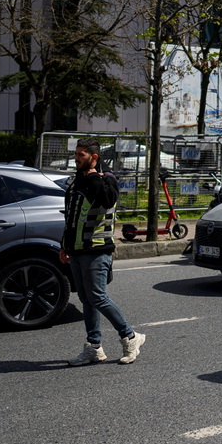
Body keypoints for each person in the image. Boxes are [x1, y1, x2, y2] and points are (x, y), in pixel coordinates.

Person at [61, 137, 145, 366]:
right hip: (77, 250)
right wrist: (64, 245)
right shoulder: (78, 180)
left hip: (97, 249)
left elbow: (108, 200)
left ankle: (130, 336)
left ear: (93, 157)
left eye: (81, 155)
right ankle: (94, 348)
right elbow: (71, 216)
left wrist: (93, 178)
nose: (76, 159)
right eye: (76, 154)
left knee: (98, 297)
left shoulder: (105, 179)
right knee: (87, 300)